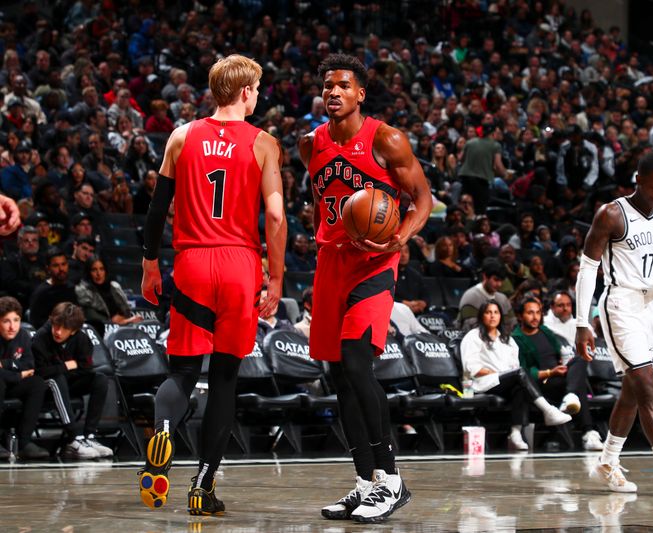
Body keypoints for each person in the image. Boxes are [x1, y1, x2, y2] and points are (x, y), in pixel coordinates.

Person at [137, 54, 286, 515]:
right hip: (239, 265)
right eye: (257, 89)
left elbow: (157, 209)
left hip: (192, 263)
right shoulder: (263, 143)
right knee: (224, 380)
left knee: (182, 372)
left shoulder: (181, 136)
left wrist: (149, 265)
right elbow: (277, 216)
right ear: (246, 92)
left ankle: (162, 430)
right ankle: (202, 487)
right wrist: (275, 277)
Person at [298, 53, 432, 523]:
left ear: (360, 93)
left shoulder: (386, 139)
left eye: (343, 85)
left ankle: (391, 481)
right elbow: (320, 202)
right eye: (327, 85)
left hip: (375, 262)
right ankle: (363, 483)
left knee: (357, 365)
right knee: (339, 378)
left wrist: (402, 235)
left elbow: (423, 198)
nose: (333, 92)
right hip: (330, 263)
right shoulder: (309, 143)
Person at [575, 152, 653, 499]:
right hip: (619, 304)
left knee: (632, 391)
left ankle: (608, 461)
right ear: (639, 181)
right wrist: (582, 323)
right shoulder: (611, 214)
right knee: (646, 387)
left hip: (651, 305)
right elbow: (588, 270)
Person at [462, 300, 571, 452]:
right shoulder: (473, 336)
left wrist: (507, 374)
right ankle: (549, 410)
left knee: (520, 384)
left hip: (506, 380)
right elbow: (471, 367)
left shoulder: (507, 339)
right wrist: (500, 373)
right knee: (520, 374)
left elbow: (514, 366)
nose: (492, 316)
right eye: (488, 312)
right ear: (481, 316)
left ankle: (515, 433)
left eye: (496, 312)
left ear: (501, 316)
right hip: (482, 383)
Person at [511, 297, 602, 451]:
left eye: (538, 312)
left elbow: (560, 353)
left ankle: (570, 396)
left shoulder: (545, 331)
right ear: (520, 316)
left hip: (560, 375)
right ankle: (588, 432)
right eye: (530, 313)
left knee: (580, 358)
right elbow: (523, 371)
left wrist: (564, 364)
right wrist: (550, 372)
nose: (535, 317)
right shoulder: (517, 338)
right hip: (541, 383)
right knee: (578, 387)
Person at [31, 302, 113, 459]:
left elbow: (86, 368)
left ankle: (89, 436)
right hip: (45, 388)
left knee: (100, 380)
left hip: (69, 382)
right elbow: (40, 371)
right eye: (56, 326)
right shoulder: (41, 337)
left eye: (64, 329)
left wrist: (60, 367)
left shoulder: (82, 339)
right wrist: (68, 366)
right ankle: (73, 439)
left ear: (74, 331)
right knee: (57, 379)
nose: (58, 331)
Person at [0, 296, 50, 460]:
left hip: (11, 383)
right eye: (6, 321)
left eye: (16, 320)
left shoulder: (24, 336)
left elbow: (29, 365)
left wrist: (6, 365)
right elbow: (22, 369)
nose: (12, 326)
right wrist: (18, 373)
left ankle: (24, 442)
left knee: (37, 383)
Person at [75, 256, 142, 334]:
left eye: (101, 269)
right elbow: (90, 316)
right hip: (99, 332)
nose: (98, 273)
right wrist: (117, 322)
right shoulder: (82, 290)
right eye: (94, 270)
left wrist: (128, 320)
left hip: (123, 328)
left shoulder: (114, 286)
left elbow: (126, 311)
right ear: (88, 272)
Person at [28, 248, 79, 329]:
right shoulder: (41, 293)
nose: (61, 269)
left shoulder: (71, 288)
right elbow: (36, 322)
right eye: (56, 265)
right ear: (48, 268)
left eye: (63, 264)